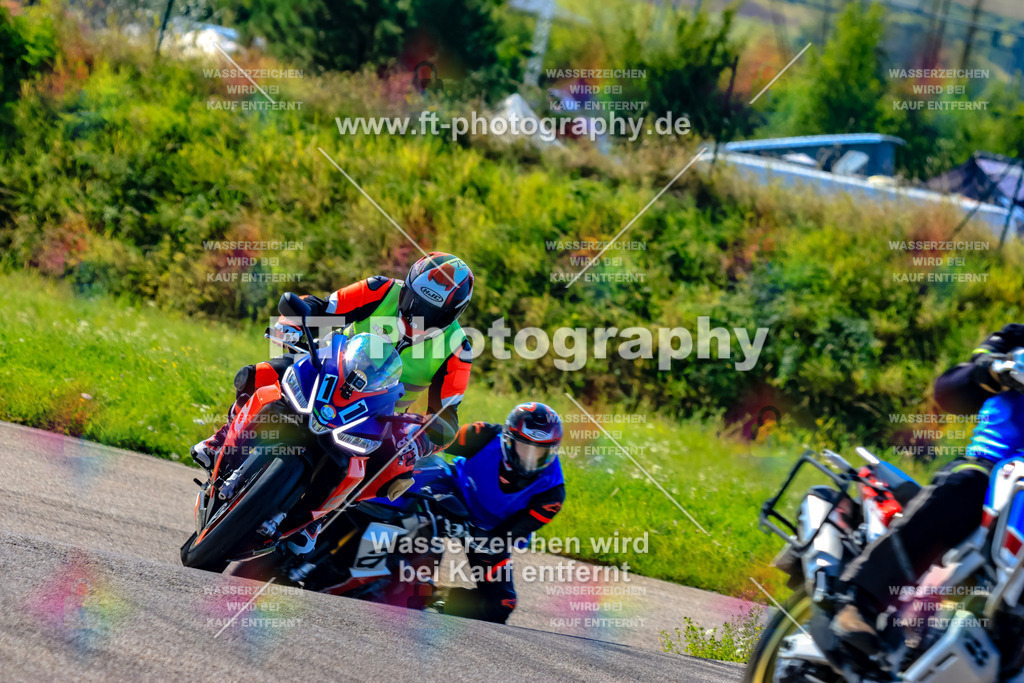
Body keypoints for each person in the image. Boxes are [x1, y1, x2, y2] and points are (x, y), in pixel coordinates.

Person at [832, 323, 1024, 654]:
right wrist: (996, 369)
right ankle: (861, 600)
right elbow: (949, 390)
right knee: (967, 484)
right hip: (994, 468)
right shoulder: (1017, 339)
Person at [423, 402, 567, 624]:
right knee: (422, 478)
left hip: (489, 533)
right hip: (453, 492)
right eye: (524, 448)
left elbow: (506, 537)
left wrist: (469, 532)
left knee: (501, 605)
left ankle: (429, 597)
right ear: (507, 441)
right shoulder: (484, 435)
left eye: (539, 452)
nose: (529, 460)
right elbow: (432, 440)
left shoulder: (552, 494)